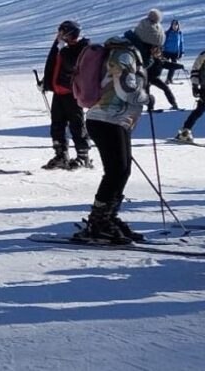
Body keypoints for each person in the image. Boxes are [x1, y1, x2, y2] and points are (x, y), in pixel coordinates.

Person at [73, 35, 149, 243]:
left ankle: (107, 218)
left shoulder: (127, 53)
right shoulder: (123, 54)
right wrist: (146, 98)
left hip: (116, 119)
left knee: (122, 170)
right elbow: (125, 88)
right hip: (106, 118)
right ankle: (99, 223)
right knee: (116, 170)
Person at [40, 20, 92, 170]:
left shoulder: (82, 48)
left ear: (69, 33)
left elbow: (71, 65)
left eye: (62, 32)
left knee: (76, 124)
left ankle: (83, 156)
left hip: (73, 93)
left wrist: (61, 48)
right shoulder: (64, 47)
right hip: (59, 91)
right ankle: (61, 155)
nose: (59, 35)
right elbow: (53, 63)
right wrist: (46, 81)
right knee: (57, 124)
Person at [146, 47, 180, 111]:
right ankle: (150, 108)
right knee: (146, 92)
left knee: (166, 88)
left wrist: (180, 66)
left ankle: (174, 104)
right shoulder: (149, 60)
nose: (157, 54)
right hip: (146, 78)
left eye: (158, 53)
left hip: (155, 78)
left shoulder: (161, 61)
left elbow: (169, 65)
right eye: (155, 53)